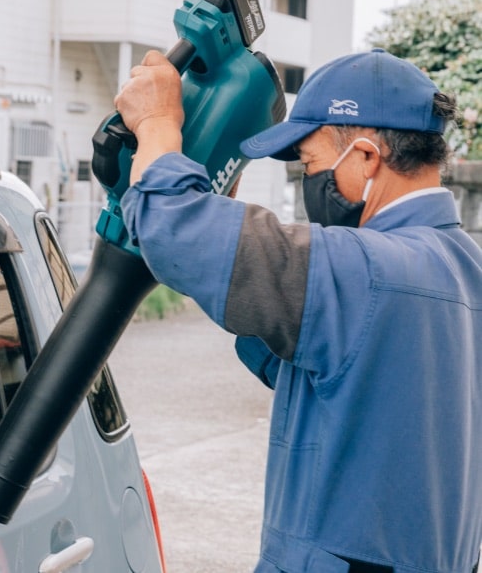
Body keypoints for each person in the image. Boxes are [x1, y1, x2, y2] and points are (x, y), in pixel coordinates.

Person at [114, 48, 482, 573]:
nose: (307, 182)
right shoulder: (464, 265)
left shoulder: (366, 271)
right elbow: (326, 367)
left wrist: (155, 124)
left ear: (364, 157)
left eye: (309, 163)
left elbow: (173, 224)